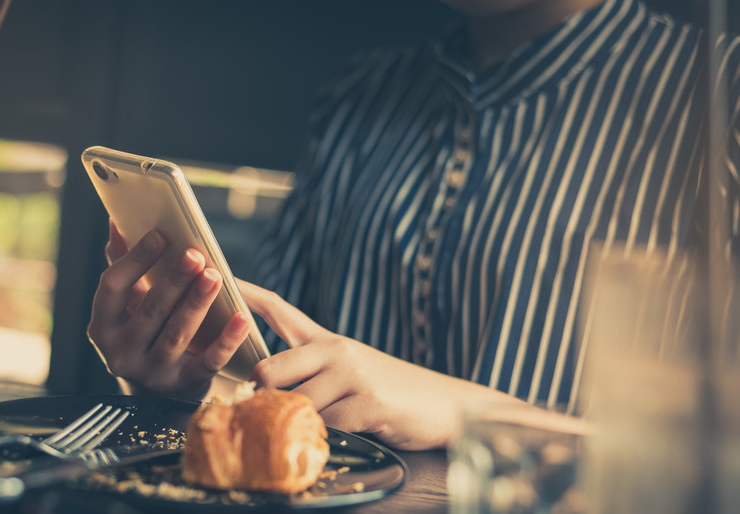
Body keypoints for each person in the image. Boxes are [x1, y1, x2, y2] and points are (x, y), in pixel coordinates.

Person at [86, 0, 740, 450]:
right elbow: (273, 373)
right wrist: (188, 377)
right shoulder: (360, 95)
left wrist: (472, 418)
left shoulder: (722, 96)